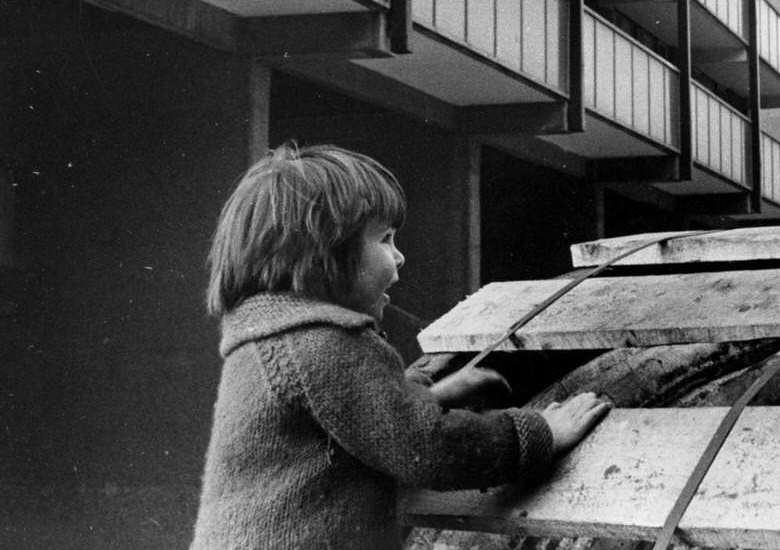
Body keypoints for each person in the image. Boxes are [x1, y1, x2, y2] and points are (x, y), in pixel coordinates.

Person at [189, 143, 611, 550]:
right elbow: (428, 448)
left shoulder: (271, 338)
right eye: (385, 238)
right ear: (322, 255)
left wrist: (420, 394)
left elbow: (343, 422)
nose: (400, 256)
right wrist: (540, 433)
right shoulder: (327, 344)